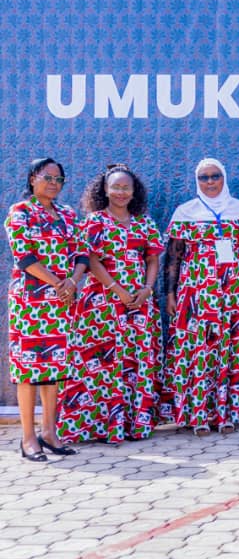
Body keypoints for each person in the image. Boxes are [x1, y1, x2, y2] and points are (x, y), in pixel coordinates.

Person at [58, 164, 164, 444]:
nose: (120, 192)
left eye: (125, 187)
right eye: (115, 187)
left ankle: (133, 424)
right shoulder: (94, 221)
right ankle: (102, 426)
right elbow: (90, 259)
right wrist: (116, 289)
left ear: (134, 191)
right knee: (103, 365)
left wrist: (147, 289)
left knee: (134, 362)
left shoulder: (145, 222)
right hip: (103, 304)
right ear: (104, 190)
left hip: (139, 304)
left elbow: (152, 259)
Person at [160, 158, 239, 435]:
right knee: (198, 351)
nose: (209, 182)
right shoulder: (186, 211)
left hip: (232, 293)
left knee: (230, 350)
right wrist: (169, 293)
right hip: (195, 295)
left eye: (215, 176)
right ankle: (197, 415)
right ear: (197, 181)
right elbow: (173, 257)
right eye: (204, 177)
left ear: (224, 178)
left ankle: (227, 413)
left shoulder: (238, 209)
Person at [5, 158, 87, 461]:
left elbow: (82, 253)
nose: (53, 183)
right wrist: (57, 282)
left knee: (54, 368)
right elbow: (24, 257)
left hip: (62, 301)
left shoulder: (67, 214)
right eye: (47, 177)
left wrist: (73, 282)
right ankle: (28, 439)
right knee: (29, 369)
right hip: (31, 301)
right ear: (32, 179)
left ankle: (50, 433)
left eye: (59, 179)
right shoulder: (20, 213)